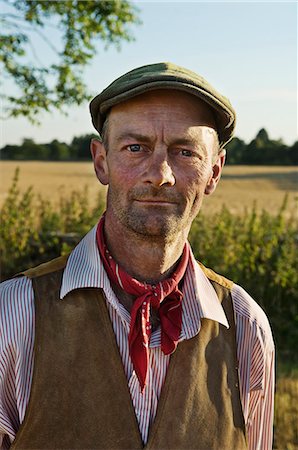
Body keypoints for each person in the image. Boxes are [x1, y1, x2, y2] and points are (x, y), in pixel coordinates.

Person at [0, 62, 274, 450]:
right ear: (101, 161)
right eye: (135, 148)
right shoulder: (13, 316)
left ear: (214, 172)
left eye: (185, 152)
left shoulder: (246, 328)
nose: (160, 173)